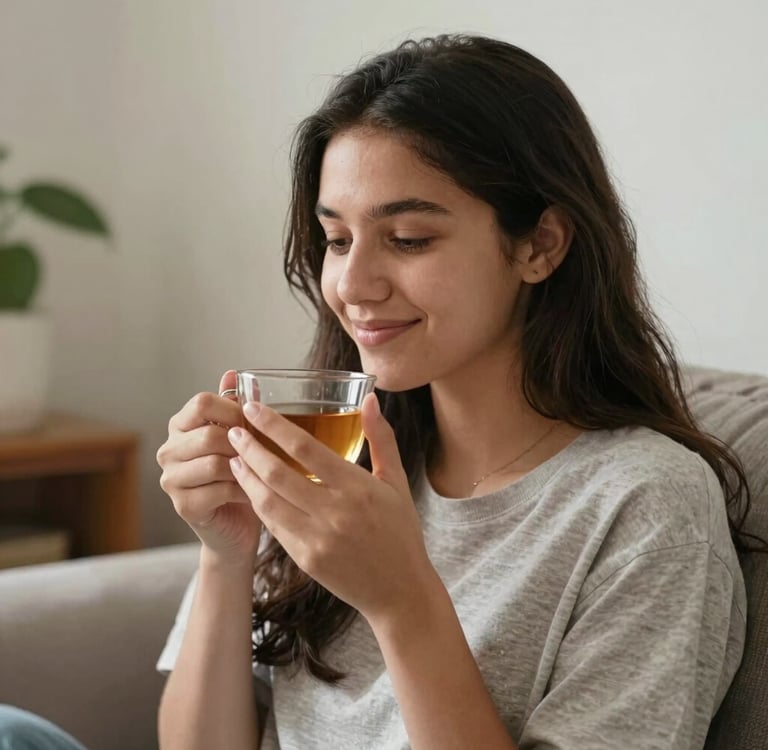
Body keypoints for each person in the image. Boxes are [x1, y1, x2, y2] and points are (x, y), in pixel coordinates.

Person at [0, 33, 750, 750]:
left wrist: (404, 604)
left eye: (409, 239)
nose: (352, 286)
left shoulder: (646, 504)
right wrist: (226, 556)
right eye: (336, 239)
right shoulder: (330, 456)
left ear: (539, 245)